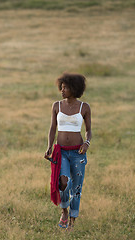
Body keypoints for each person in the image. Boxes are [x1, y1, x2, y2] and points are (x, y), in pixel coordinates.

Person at [44, 73, 92, 231]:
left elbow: (89, 131)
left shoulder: (84, 107)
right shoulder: (56, 105)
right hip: (61, 152)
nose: (62, 90)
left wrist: (87, 143)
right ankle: (64, 211)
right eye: (61, 87)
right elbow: (52, 128)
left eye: (66, 87)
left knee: (76, 188)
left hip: (78, 153)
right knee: (63, 183)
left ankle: (72, 221)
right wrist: (49, 146)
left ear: (75, 88)